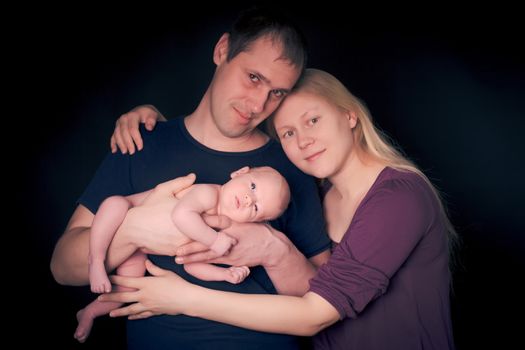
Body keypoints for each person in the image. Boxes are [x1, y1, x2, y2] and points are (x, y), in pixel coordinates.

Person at [101, 68, 458, 349]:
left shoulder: (399, 198)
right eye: (287, 133)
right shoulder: (318, 193)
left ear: (349, 115)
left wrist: (183, 297)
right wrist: (155, 126)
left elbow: (314, 314)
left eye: (312, 120)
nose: (302, 140)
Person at [51, 7, 331, 349]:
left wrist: (276, 251)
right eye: (254, 77)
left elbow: (323, 300)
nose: (258, 104)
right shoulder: (142, 141)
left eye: (277, 93)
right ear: (222, 50)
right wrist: (134, 229)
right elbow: (63, 267)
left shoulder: (287, 165)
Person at [75, 165, 291, 342]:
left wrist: (224, 274)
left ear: (255, 222)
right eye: (252, 187)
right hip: (126, 215)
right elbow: (181, 215)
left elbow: (190, 263)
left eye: (255, 208)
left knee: (127, 286)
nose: (247, 200)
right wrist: (214, 240)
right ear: (240, 173)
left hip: (138, 249)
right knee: (115, 203)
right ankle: (96, 258)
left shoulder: (222, 226)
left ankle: (90, 312)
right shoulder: (209, 194)